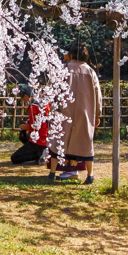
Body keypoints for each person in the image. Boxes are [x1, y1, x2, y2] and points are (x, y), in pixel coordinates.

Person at [48, 41, 103, 184]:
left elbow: (53, 92)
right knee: (85, 143)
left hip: (64, 111)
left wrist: (52, 112)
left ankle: (52, 173)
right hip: (85, 112)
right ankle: (90, 175)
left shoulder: (63, 69)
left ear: (71, 54)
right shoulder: (91, 72)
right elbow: (98, 96)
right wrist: (98, 114)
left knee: (58, 141)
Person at [11, 83, 50, 165]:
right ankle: (41, 152)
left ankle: (39, 154)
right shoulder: (44, 102)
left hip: (39, 140)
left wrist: (25, 126)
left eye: (21, 98)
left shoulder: (33, 107)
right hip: (47, 137)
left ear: (25, 96)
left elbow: (34, 127)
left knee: (15, 158)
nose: (22, 100)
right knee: (23, 136)